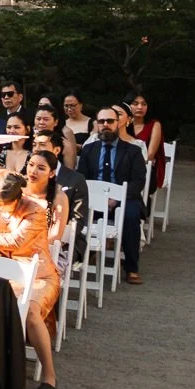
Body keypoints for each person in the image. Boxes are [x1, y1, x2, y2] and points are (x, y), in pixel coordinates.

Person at [0, 161, 63, 389]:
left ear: (17, 200)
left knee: (30, 311)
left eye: (5, 206)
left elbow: (15, 242)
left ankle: (49, 375)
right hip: (1, 272)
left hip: (39, 274)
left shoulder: (36, 210)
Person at [81, 105, 148, 285]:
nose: (105, 125)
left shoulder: (133, 151)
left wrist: (116, 199)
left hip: (124, 200)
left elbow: (138, 181)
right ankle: (79, 256)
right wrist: (96, 199)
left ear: (118, 123)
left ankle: (132, 267)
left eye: (110, 121)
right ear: (96, 124)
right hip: (94, 200)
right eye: (101, 121)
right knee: (75, 214)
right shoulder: (89, 150)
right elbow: (82, 179)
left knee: (131, 217)